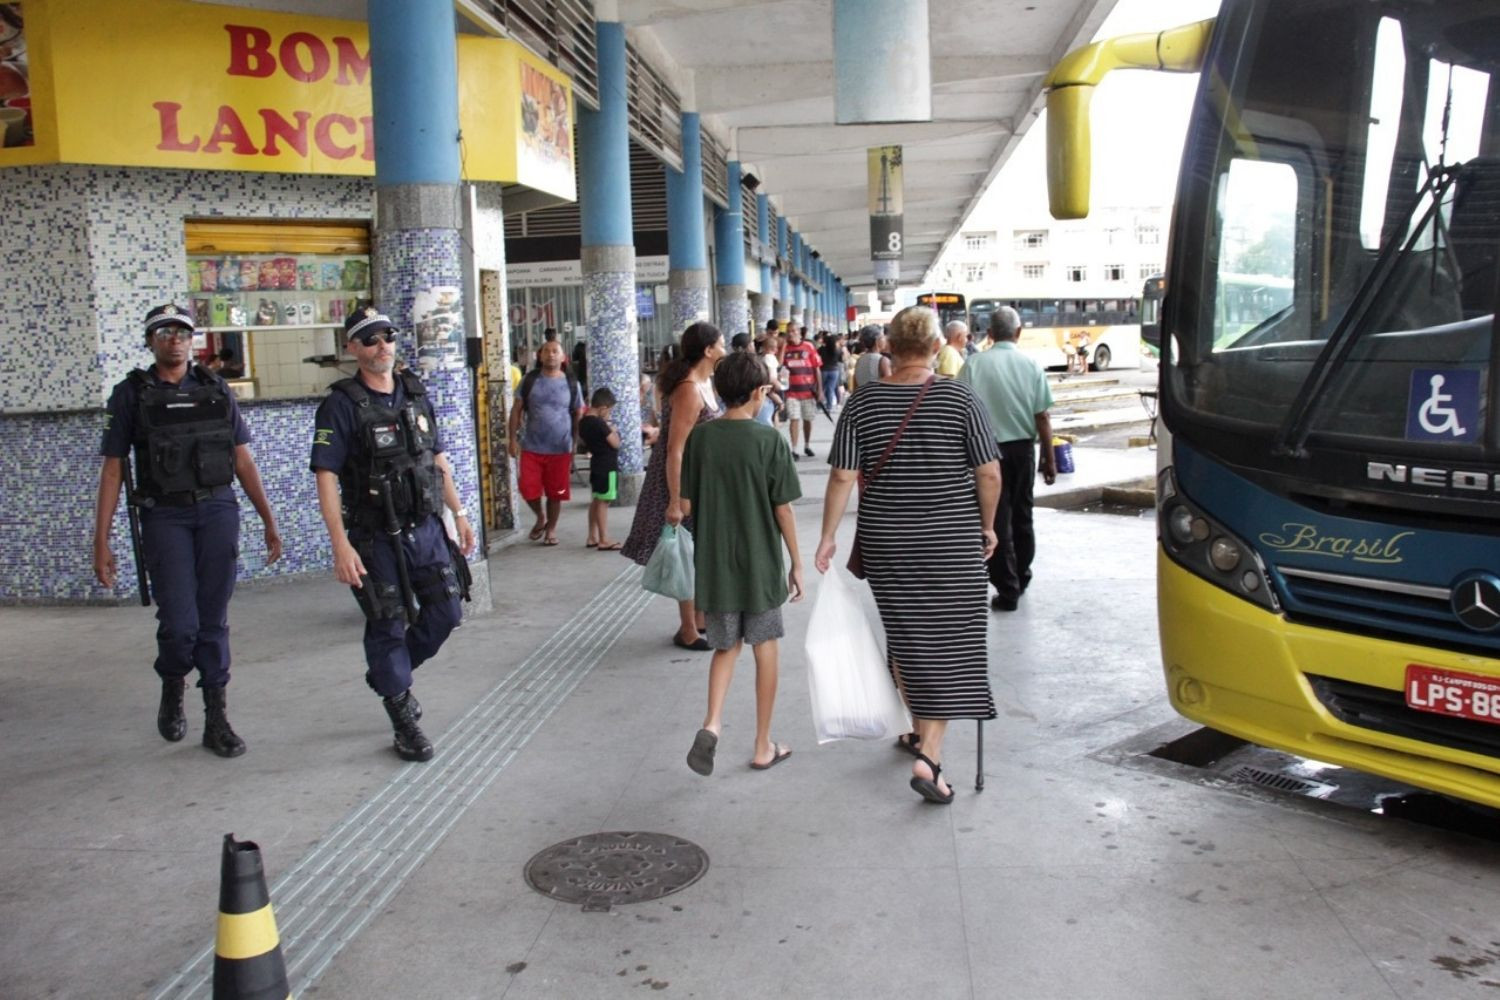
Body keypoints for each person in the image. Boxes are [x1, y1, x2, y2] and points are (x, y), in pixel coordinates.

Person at [815, 305, 1001, 805]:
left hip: (888, 539)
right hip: (951, 539)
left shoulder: (862, 404)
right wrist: (986, 526)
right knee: (952, 638)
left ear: (890, 348)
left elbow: (841, 476)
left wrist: (828, 536)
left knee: (908, 633)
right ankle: (931, 754)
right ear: (938, 346)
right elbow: (988, 473)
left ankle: (920, 732)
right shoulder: (960, 397)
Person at [93, 303, 282, 758]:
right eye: (163, 331)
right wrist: (101, 541)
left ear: (192, 340)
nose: (173, 338)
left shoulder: (216, 389)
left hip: (217, 510)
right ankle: (173, 681)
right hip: (165, 516)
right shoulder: (130, 395)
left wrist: (268, 520)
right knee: (180, 624)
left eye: (181, 331)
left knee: (213, 620)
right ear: (150, 341)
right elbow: (114, 471)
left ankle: (216, 718)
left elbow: (242, 460)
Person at [310, 307, 476, 763]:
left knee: (446, 613)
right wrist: (339, 543)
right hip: (374, 537)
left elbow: (436, 459)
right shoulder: (341, 405)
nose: (381, 345)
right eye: (369, 339)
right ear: (352, 349)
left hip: (425, 529)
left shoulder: (415, 394)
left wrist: (459, 514)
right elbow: (325, 475)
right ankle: (403, 717)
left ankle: (389, 674)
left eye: (387, 336)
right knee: (386, 622)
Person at [681, 351, 804, 775]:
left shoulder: (701, 438)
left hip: (715, 565)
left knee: (725, 646)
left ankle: (712, 723)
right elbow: (783, 510)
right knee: (765, 647)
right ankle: (762, 744)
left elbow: (688, 500)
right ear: (758, 392)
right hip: (760, 564)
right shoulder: (770, 440)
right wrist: (797, 564)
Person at [621, 321, 726, 651]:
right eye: (721, 344)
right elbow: (675, 448)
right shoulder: (689, 389)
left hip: (699, 481)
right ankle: (687, 629)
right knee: (686, 552)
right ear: (708, 350)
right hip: (682, 482)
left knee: (697, 550)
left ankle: (698, 617)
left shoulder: (704, 384)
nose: (725, 349)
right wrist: (676, 500)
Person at [958, 305, 1058, 611]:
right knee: (1023, 514)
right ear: (1018, 332)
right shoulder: (1031, 365)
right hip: (1023, 451)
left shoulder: (973, 365)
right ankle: (1021, 576)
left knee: (995, 519)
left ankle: (1008, 586)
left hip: (985, 453)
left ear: (989, 334)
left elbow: (959, 412)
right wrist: (1049, 458)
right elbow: (1042, 416)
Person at [508, 339, 585, 546]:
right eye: (547, 351)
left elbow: (578, 413)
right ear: (540, 356)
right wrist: (512, 440)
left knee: (556, 492)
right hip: (532, 446)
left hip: (560, 447)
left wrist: (576, 442)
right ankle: (540, 516)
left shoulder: (571, 383)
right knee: (527, 488)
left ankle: (551, 529)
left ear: (562, 356)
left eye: (555, 351)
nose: (551, 355)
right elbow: (516, 410)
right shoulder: (529, 380)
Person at [579, 387, 623, 551]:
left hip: (596, 464)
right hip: (607, 466)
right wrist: (612, 429)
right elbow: (615, 443)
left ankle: (592, 536)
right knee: (604, 502)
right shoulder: (600, 424)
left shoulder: (583, 422)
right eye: (609, 410)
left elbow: (584, 443)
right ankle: (604, 538)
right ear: (603, 408)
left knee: (596, 500)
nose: (609, 413)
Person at [779, 323, 822, 459]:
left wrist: (820, 390)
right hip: (791, 392)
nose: (791, 334)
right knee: (794, 418)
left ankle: (807, 445)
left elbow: (817, 368)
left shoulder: (809, 347)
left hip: (808, 391)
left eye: (793, 331)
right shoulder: (785, 349)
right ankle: (794, 449)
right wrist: (784, 346)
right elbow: (779, 364)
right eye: (788, 331)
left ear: (799, 332)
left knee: (808, 419)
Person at [851, 324, 891, 390]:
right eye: (883, 337)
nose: (885, 339)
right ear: (877, 340)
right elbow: (890, 387)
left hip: (862, 399)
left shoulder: (859, 360)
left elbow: (855, 386)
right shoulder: (883, 360)